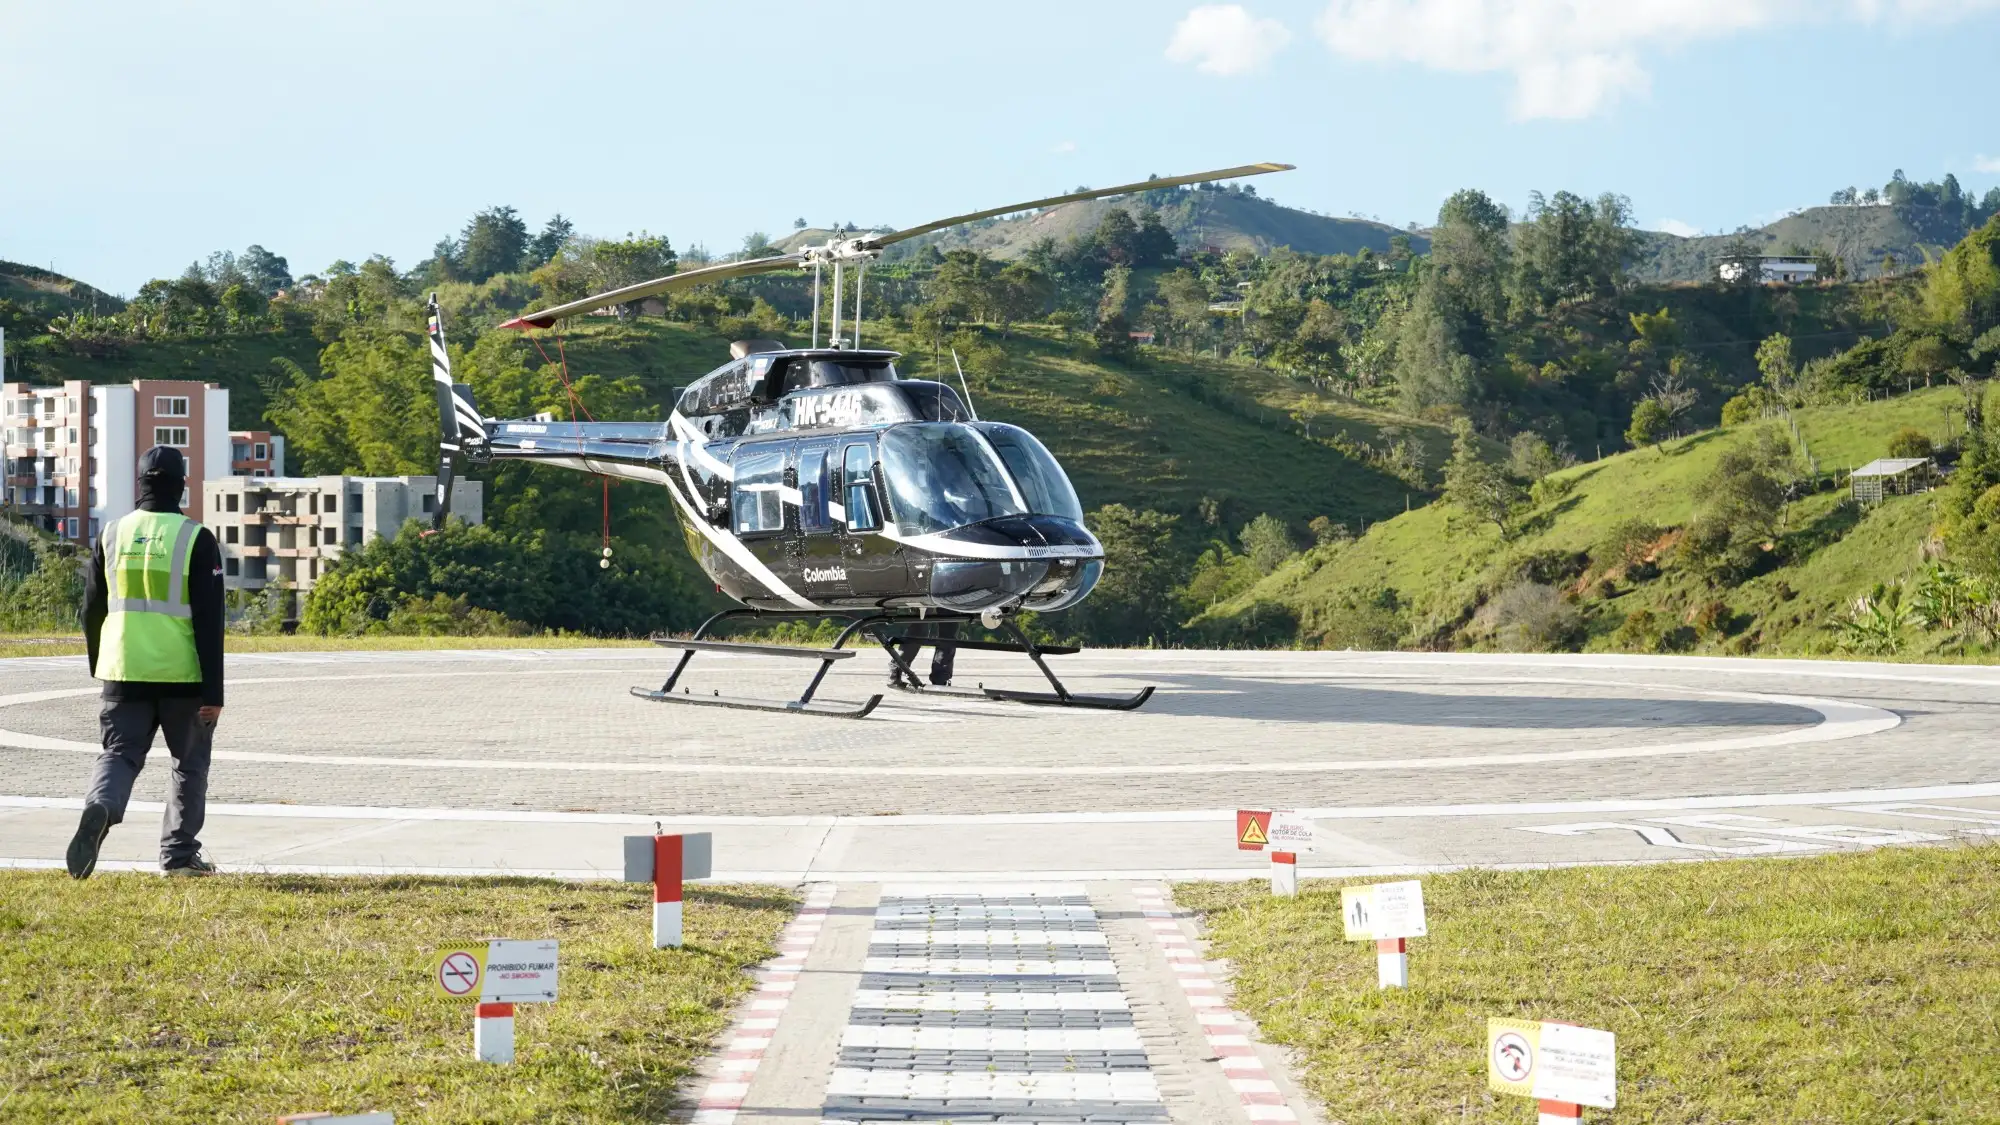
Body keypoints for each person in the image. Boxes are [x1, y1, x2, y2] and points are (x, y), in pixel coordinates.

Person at [65, 446, 226, 879]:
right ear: (181, 487)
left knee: (119, 754)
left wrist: (102, 662)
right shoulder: (196, 538)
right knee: (188, 766)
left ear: (140, 485)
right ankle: (177, 857)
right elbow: (211, 622)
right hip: (183, 676)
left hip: (123, 671)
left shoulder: (111, 534)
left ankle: (101, 806)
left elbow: (91, 609)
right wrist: (214, 693)